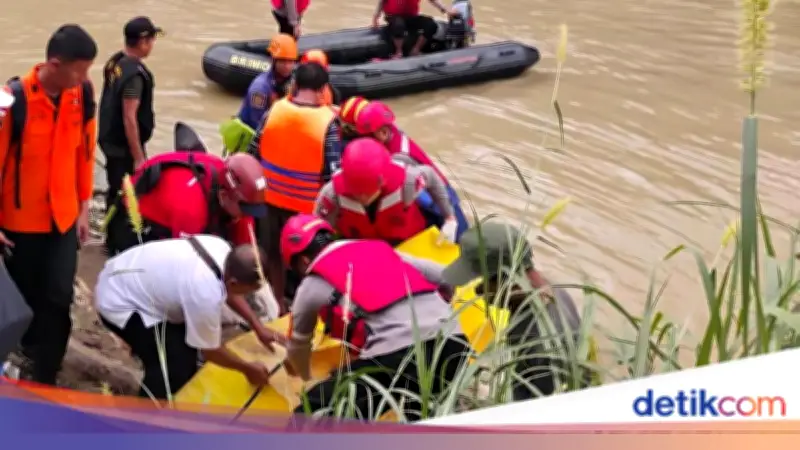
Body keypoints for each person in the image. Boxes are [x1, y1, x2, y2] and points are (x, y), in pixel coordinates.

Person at [279, 214, 471, 419]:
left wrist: (304, 375)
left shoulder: (311, 285)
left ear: (303, 260)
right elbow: (446, 276)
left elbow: (299, 346)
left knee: (311, 413)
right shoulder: (383, 251)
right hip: (455, 344)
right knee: (418, 417)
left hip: (402, 355)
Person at [0, 24, 98, 385]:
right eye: (80, 69)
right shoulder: (14, 100)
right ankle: (25, 349)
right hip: (20, 222)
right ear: (55, 64)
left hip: (63, 217)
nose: (85, 77)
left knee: (58, 297)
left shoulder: (81, 96)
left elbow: (85, 154)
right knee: (26, 297)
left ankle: (47, 372)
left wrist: (84, 207)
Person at [94, 235, 286, 399]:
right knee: (171, 366)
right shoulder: (203, 292)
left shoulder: (221, 249)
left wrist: (257, 325)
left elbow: (231, 290)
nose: (248, 296)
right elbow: (210, 351)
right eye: (249, 291)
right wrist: (247, 369)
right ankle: (143, 420)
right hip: (120, 301)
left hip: (131, 278)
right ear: (235, 281)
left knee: (184, 357)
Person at [441, 220, 589, 401]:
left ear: (506, 278)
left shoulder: (540, 343)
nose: (478, 291)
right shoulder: (552, 289)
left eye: (482, 281)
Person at [249, 62, 342, 312]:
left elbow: (252, 151)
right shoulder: (329, 122)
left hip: (268, 199)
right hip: (306, 210)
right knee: (308, 261)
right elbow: (333, 174)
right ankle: (307, 308)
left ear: (295, 84)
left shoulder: (274, 111)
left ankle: (277, 305)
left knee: (272, 254)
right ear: (323, 89)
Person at [108, 144, 268, 255]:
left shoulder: (242, 197)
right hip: (136, 217)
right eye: (245, 210)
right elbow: (186, 264)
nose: (247, 215)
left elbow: (247, 249)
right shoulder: (191, 209)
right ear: (224, 196)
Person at [98, 16, 163, 256]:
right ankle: (121, 247)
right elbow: (129, 117)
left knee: (115, 189)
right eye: (152, 39)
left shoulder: (115, 62)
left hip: (109, 140)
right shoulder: (135, 76)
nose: (153, 45)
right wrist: (138, 156)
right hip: (125, 146)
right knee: (128, 195)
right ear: (143, 41)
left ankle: (110, 239)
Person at [355, 100, 468, 237]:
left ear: (383, 132)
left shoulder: (398, 156)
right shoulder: (394, 133)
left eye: (367, 137)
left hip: (435, 198)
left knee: (458, 240)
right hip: (432, 187)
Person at [315, 138, 458, 246]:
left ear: (382, 182)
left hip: (408, 245)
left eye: (366, 193)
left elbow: (431, 175)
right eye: (356, 193)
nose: (362, 198)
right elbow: (318, 230)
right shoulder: (331, 194)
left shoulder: (408, 181)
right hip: (362, 251)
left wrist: (449, 218)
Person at [237, 33, 297, 130]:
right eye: (282, 61)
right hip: (251, 134)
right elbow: (256, 123)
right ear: (273, 60)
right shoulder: (260, 88)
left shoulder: (292, 83)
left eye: (290, 61)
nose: (287, 66)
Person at [372, 0, 455, 58]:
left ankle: (416, 49)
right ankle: (398, 52)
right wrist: (376, 18)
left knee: (431, 24)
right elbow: (382, 2)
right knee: (398, 24)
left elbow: (433, 0)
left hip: (411, 17)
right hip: (393, 16)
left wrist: (446, 10)